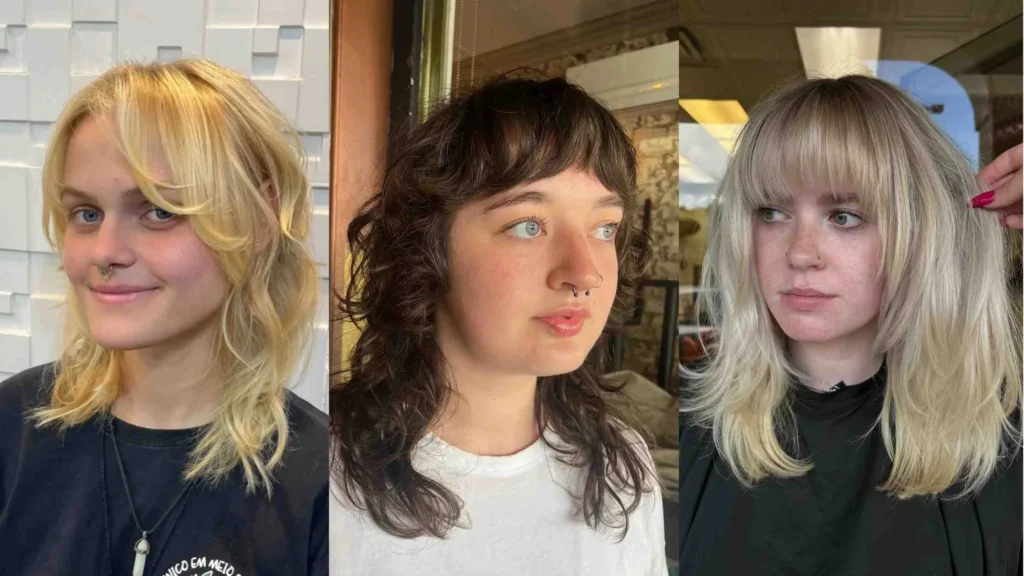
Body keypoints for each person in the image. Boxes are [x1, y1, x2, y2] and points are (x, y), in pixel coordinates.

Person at [677, 75, 1022, 575]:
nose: (799, 253)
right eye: (771, 212)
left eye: (843, 216)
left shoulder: (1005, 450)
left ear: (920, 233)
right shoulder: (691, 431)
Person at [0, 59, 328, 575]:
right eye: (86, 214)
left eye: (159, 211)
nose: (105, 252)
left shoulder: (323, 482)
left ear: (259, 219)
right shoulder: (10, 426)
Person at [329, 76, 668, 575]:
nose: (585, 272)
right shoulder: (315, 471)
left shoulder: (624, 470)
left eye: (604, 228)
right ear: (427, 248)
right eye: (528, 225)